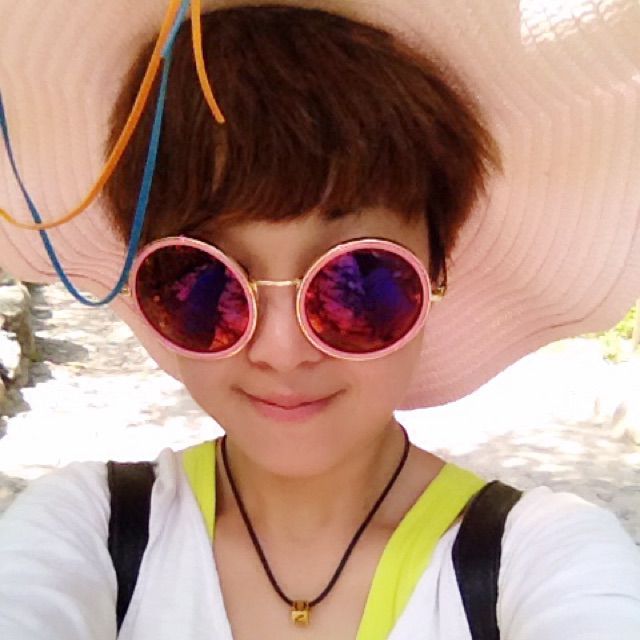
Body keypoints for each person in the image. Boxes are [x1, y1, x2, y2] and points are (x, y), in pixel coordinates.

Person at [0, 1, 639, 639]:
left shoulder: (544, 558)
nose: (281, 350)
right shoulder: (83, 527)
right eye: (203, 279)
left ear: (436, 272)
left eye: (356, 279)